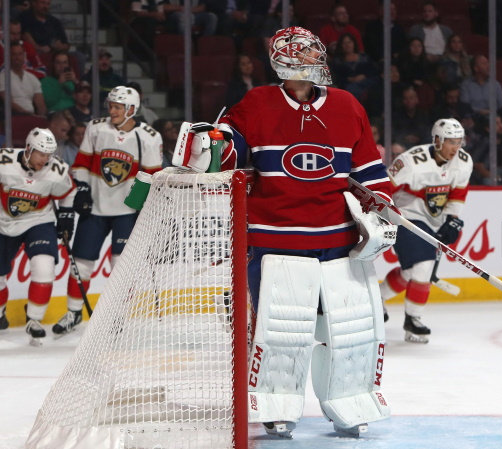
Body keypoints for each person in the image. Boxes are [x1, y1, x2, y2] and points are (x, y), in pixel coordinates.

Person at [173, 26, 395, 439]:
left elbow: (368, 171)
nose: (315, 67)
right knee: (280, 331)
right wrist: (211, 143)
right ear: (285, 64)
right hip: (275, 239)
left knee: (348, 329)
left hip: (337, 240)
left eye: (317, 58)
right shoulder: (256, 103)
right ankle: (277, 406)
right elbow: (226, 156)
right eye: (306, 59)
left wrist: (380, 204)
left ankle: (347, 402)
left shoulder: (347, 106)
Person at [52, 86, 163, 336]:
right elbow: (81, 163)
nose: (111, 110)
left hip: (127, 211)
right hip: (95, 207)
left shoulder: (149, 136)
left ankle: (116, 316)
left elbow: (152, 177)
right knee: (81, 265)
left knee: (120, 266)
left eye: (117, 107)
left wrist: (143, 208)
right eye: (110, 105)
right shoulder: (96, 127)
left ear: (131, 110)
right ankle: (73, 312)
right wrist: (81, 187)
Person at [0, 128, 76, 345]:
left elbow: (68, 193)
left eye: (49, 155)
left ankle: (34, 320)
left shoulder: (57, 170)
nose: (46, 159)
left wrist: (67, 217)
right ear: (29, 149)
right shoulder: (1, 161)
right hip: (3, 223)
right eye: (41, 154)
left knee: (44, 267)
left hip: (38, 221)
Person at [380, 118, 472, 343]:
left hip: (433, 221)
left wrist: (452, 219)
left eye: (459, 142)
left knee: (412, 272)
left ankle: (376, 298)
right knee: (424, 267)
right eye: (451, 142)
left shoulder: (464, 161)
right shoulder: (412, 161)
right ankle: (413, 320)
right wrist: (383, 215)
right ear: (438, 141)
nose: (455, 147)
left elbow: (458, 194)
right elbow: (384, 186)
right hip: (405, 217)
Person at [0, 41, 47, 116]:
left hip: (32, 117)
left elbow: (41, 105)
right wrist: (29, 115)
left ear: (24, 56)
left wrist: (40, 117)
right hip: (14, 116)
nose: (17, 57)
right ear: (8, 56)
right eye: (14, 54)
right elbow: (9, 103)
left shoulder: (32, 78)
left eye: (20, 54)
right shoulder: (2, 77)